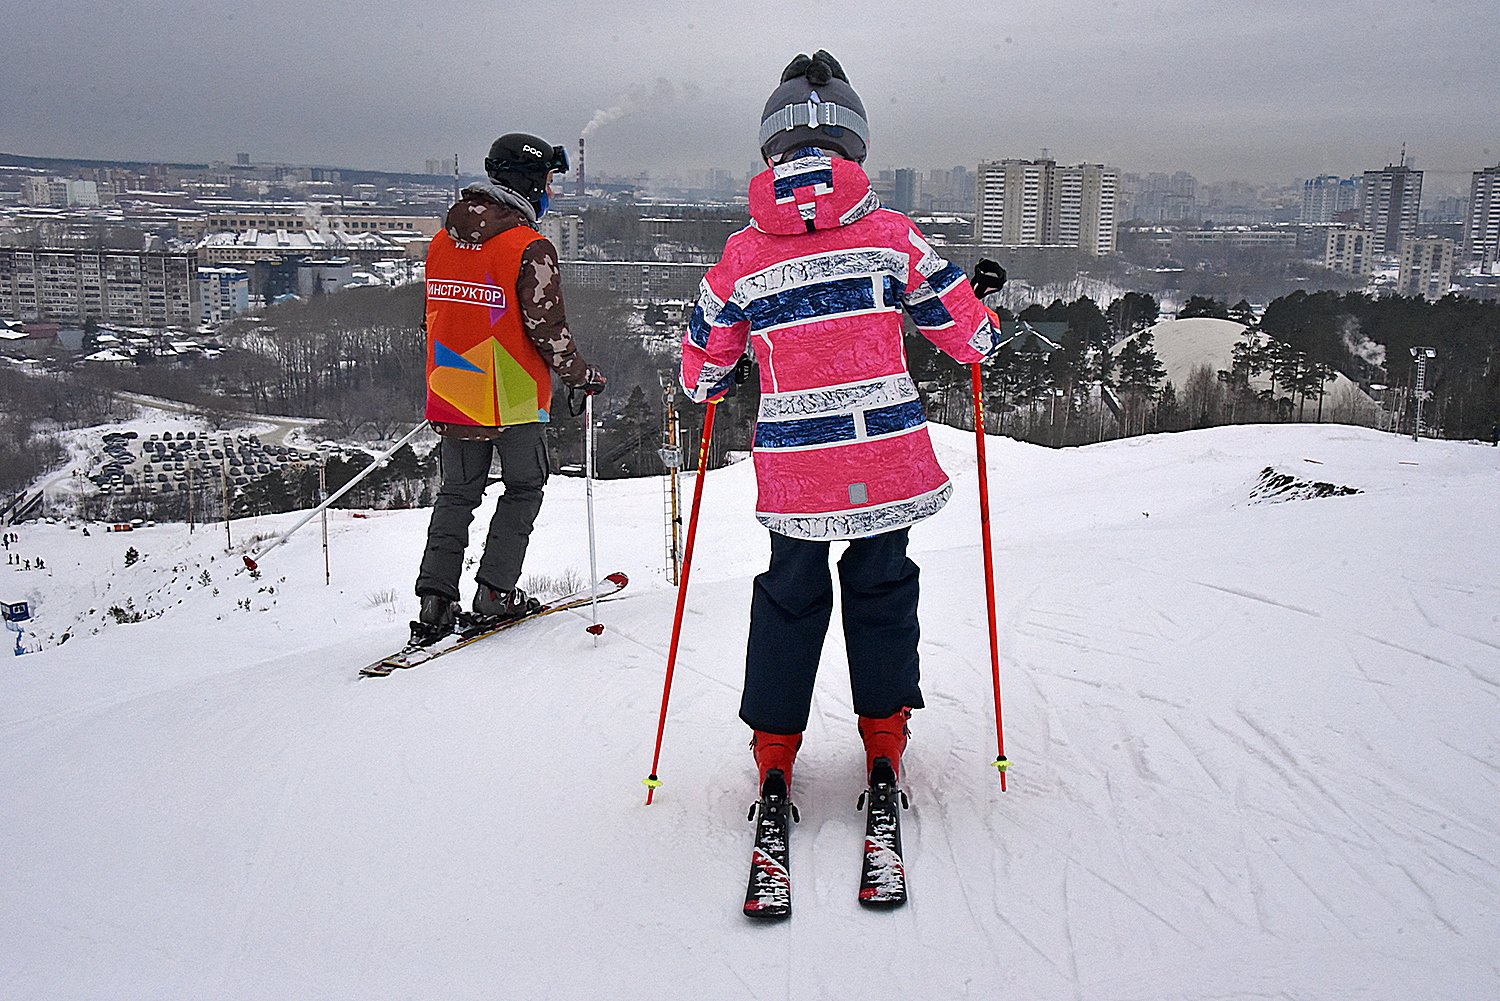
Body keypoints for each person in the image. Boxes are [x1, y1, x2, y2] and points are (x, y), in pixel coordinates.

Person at [680, 51, 1004, 802]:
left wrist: (720, 360)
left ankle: (773, 753)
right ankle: (885, 742)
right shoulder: (892, 236)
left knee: (791, 592)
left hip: (796, 472)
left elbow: (700, 376)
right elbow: (972, 339)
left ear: (772, 149)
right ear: (855, 143)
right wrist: (982, 302)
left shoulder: (741, 257)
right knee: (882, 583)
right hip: (886, 458)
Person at [415, 132, 605, 639]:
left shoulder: (441, 241)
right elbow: (549, 330)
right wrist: (582, 377)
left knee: (457, 494)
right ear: (528, 182)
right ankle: (495, 594)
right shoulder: (529, 247)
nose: (549, 190)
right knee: (523, 488)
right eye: (547, 180)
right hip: (512, 396)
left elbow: (436, 316)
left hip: (453, 388)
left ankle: (435, 602)